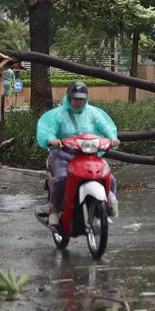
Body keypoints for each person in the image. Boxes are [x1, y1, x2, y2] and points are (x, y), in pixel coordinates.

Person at [36, 81, 121, 227]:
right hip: (63, 155)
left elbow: (104, 126)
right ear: (69, 98)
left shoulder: (93, 113)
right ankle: (54, 210)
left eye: (81, 99)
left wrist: (112, 138)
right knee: (62, 178)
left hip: (88, 155)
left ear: (86, 99)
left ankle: (108, 204)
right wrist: (52, 140)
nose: (78, 102)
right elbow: (50, 129)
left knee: (109, 177)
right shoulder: (59, 114)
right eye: (75, 98)